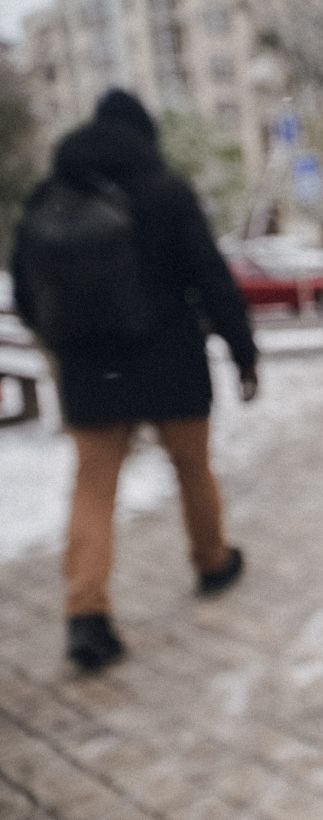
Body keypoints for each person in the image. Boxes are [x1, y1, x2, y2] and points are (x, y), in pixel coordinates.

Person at [9, 90, 259, 673]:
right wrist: (242, 351)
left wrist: (66, 342)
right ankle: (211, 560)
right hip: (171, 360)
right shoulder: (165, 190)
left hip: (90, 372)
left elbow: (26, 292)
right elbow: (210, 276)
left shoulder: (49, 198)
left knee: (93, 489)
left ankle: (86, 615)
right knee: (192, 468)